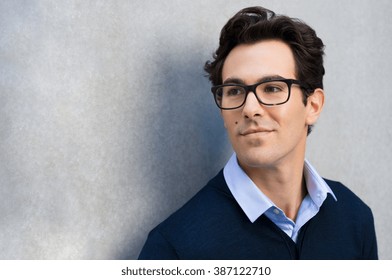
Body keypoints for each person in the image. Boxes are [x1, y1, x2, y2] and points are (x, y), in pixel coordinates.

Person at [138, 6, 378, 260]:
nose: (249, 109)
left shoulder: (354, 218)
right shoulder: (174, 248)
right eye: (234, 91)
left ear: (313, 105)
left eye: (272, 88)